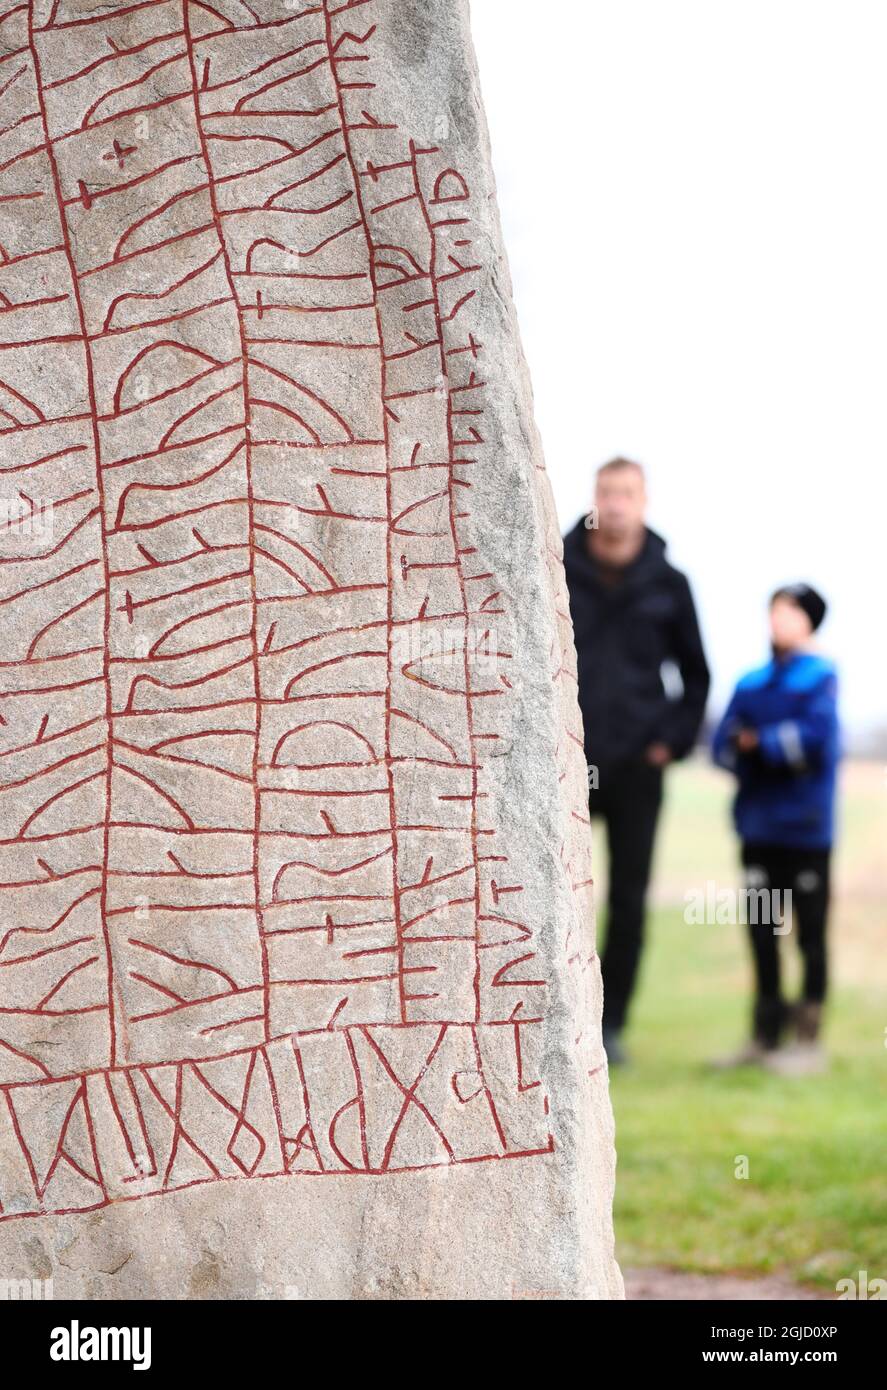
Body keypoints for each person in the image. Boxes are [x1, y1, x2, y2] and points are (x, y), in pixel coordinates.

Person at [563, 458, 710, 1064]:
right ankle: (553, 1012)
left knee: (628, 896)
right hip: (562, 763)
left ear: (643, 501)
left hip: (636, 768)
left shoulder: (668, 582)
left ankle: (611, 1024)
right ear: (595, 498)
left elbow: (696, 675)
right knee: (557, 889)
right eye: (607, 492)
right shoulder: (555, 562)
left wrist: (667, 745)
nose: (616, 504)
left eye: (627, 493)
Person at [712, 584, 840, 1075]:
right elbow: (723, 743)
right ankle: (765, 1035)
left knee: (810, 934)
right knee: (762, 932)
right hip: (758, 829)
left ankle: (808, 1041)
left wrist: (759, 744)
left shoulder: (822, 678)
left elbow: (814, 741)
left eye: (790, 612)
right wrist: (746, 747)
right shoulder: (750, 682)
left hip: (807, 832)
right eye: (775, 611)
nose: (778, 621)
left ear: (810, 621)